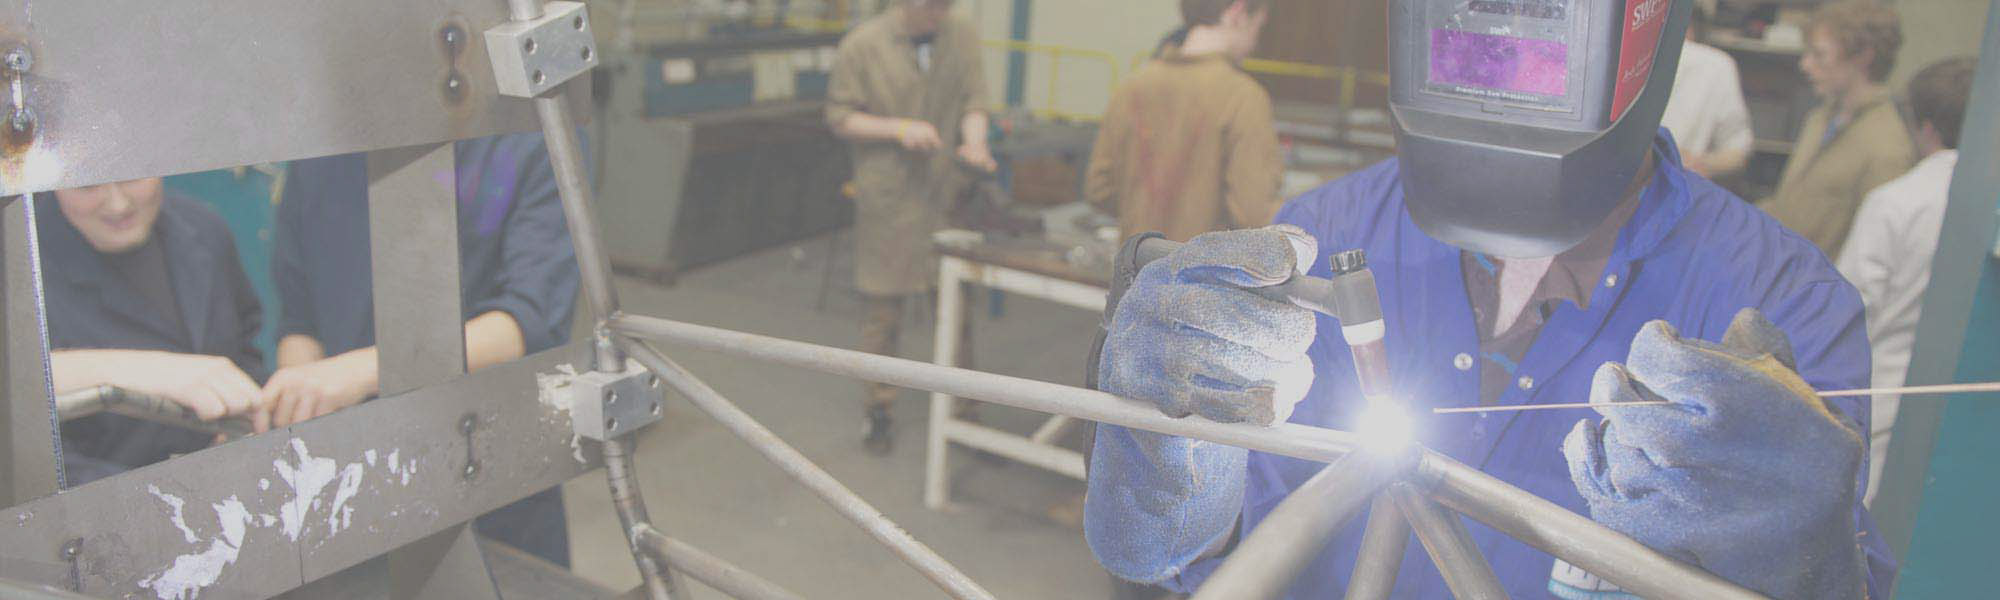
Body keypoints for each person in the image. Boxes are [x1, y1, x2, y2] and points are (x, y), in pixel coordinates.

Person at [1084, 0, 1894, 597]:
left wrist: (1792, 566)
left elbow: (1848, 573)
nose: (1505, 59)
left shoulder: (1779, 300)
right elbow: (1204, 553)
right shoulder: (1325, 232)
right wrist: (1168, 477)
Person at [266, 132, 579, 566]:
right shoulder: (319, 156)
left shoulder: (522, 141)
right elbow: (300, 321)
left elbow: (528, 321)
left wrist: (358, 373)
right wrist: (299, 412)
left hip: (485, 465)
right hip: (354, 479)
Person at [825, 0, 994, 454]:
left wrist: (975, 144)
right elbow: (840, 117)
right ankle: (878, 408)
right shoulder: (862, 46)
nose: (938, 14)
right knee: (883, 311)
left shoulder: (961, 34)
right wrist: (898, 129)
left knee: (956, 310)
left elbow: (975, 101)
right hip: (890, 197)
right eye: (929, 6)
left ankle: (966, 414)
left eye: (945, 5)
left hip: (945, 194)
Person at [40, 178, 266, 485]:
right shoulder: (17, 269)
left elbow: (245, 348)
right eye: (87, 186)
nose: (118, 205)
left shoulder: (204, 227)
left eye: (131, 177)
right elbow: (27, 459)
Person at [1835, 56, 1977, 507]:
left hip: (1883, 409)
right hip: (1971, 415)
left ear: (1925, 127)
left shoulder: (1896, 203)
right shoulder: (1987, 208)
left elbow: (1850, 314)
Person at [1085, 0, 1283, 243]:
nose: (1254, 44)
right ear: (1238, 12)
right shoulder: (1243, 97)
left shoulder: (1131, 88)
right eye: (1258, 27)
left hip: (1135, 263)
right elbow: (1254, 213)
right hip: (1203, 266)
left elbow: (1100, 189)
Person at [1759, 1, 1913, 258]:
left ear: (1863, 57)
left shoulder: (1887, 148)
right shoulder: (1819, 119)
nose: (1805, 64)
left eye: (1819, 55)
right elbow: (1788, 204)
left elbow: (1872, 252)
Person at [1660, 3, 1756, 179]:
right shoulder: (1717, 64)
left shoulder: (1714, 66)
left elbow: (1739, 148)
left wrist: (1699, 163)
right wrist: (1701, 163)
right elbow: (1739, 149)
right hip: (1682, 183)